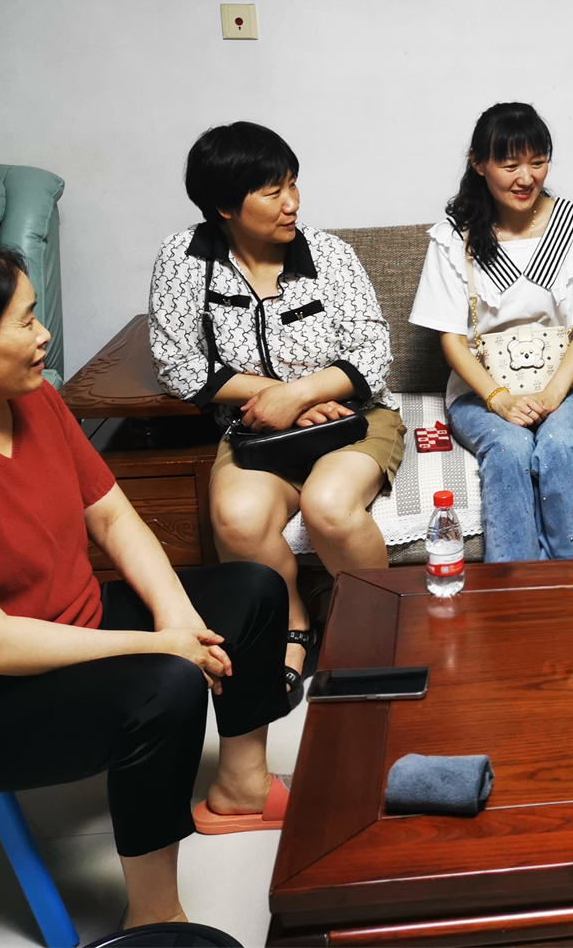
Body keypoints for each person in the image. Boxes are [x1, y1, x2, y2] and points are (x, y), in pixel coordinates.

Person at [0, 240, 290, 930]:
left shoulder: (32, 400)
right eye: (25, 321)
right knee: (163, 684)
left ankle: (242, 788)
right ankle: (155, 921)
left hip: (63, 631)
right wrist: (160, 648)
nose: (44, 334)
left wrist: (178, 620)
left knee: (252, 590)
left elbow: (112, 516)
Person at [148, 122, 402, 701]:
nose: (292, 202)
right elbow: (176, 364)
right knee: (237, 518)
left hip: (351, 420)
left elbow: (373, 354)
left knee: (329, 507)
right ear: (224, 206)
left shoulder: (329, 254)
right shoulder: (184, 259)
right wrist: (277, 400)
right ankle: (295, 624)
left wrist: (302, 394)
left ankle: (381, 627)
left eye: (293, 184)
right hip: (258, 432)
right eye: (272, 191)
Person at [408, 102, 573, 561]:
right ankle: (512, 591)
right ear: (478, 163)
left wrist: (555, 392)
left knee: (563, 444)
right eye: (509, 165)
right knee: (509, 448)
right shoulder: (454, 237)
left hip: (566, 383)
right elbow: (451, 339)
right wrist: (498, 398)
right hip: (482, 388)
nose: (526, 178)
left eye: (538, 162)